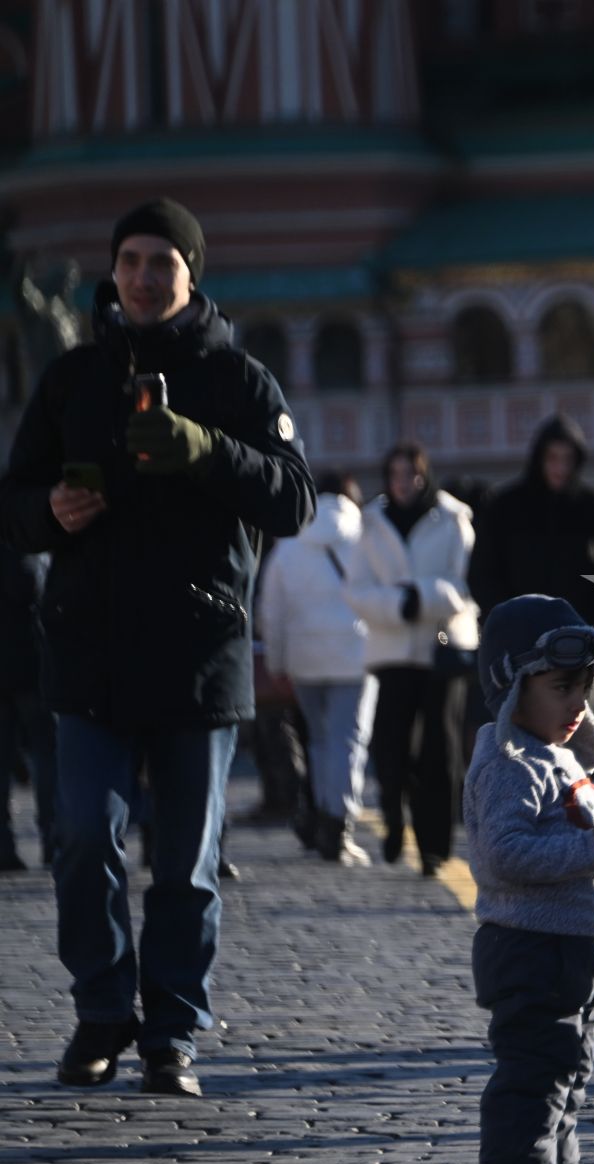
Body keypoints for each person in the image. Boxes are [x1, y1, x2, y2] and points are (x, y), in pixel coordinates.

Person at [0, 198, 315, 1095]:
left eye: (161, 262)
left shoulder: (239, 381)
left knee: (185, 863)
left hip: (198, 653)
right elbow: (12, 501)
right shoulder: (71, 380)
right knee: (81, 843)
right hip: (88, 654)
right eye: (131, 260)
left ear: (190, 275)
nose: (143, 276)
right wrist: (47, 513)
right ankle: (102, 1014)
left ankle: (172, 1030)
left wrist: (205, 450)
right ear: (115, 270)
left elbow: (294, 500)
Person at [464, 594, 594, 1164]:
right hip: (531, 949)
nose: (576, 703)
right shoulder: (510, 762)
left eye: (584, 689)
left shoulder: (556, 752)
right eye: (561, 687)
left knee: (567, 1075)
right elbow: (502, 857)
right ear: (512, 687)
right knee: (532, 1078)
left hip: (575, 951)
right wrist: (591, 849)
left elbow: (590, 798)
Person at [346, 443, 479, 876]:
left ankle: (434, 847)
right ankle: (393, 814)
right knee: (390, 747)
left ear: (424, 476)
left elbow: (463, 584)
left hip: (441, 647)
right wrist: (395, 604)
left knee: (439, 752)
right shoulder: (371, 522)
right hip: (391, 650)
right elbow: (356, 590)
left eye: (412, 475)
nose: (404, 484)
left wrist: (418, 597)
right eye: (396, 475)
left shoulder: (454, 518)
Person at [468, 413, 594, 743]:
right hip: (520, 649)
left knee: (575, 734)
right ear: (539, 458)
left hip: (581, 646)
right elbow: (483, 573)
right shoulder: (506, 506)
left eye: (567, 458)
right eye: (552, 458)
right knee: (519, 736)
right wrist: (507, 623)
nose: (559, 467)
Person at [259, 473, 377, 866]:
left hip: (304, 659)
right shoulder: (366, 536)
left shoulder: (291, 543)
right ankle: (337, 824)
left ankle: (325, 816)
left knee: (319, 740)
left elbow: (271, 610)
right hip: (355, 655)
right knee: (349, 741)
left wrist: (277, 661)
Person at [0, 546, 56, 871]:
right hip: (30, 666)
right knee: (48, 755)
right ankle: (53, 838)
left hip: (22, 667)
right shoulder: (23, 545)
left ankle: (4, 846)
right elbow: (30, 586)